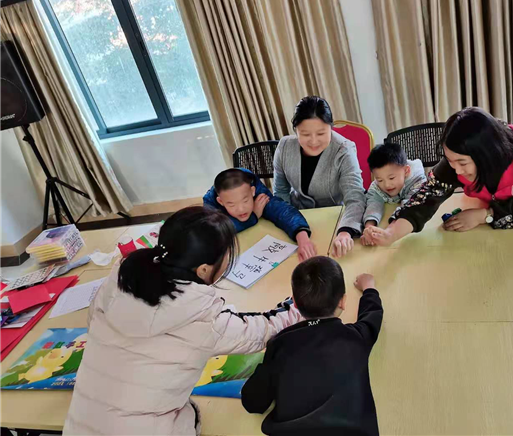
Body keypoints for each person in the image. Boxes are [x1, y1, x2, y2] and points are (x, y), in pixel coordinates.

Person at [63, 207, 302, 435]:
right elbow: (263, 330)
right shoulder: (203, 319)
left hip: (78, 426)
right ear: (203, 270)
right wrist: (303, 302)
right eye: (227, 255)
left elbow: (94, 322)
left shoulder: (119, 279)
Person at [365, 107, 513, 246]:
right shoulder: (458, 159)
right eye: (450, 161)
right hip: (495, 211)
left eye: (462, 163)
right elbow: (426, 196)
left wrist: (485, 215)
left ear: (487, 155)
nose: (456, 171)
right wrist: (390, 234)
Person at [241, 256, 383, 436]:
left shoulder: (280, 344)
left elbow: (253, 403)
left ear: (295, 303)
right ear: (342, 301)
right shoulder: (356, 337)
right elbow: (372, 315)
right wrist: (369, 288)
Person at [273, 96, 366, 258]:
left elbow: (356, 198)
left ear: (331, 127)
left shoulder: (344, 150)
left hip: (334, 220)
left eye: (321, 133)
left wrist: (345, 232)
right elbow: (281, 193)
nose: (314, 141)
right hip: (297, 218)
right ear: (296, 130)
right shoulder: (284, 147)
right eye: (305, 134)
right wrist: (293, 226)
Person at [203, 168, 317, 261]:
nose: (241, 209)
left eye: (245, 201)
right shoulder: (210, 203)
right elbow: (215, 231)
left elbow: (281, 210)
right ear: (220, 201)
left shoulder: (256, 189)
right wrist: (253, 216)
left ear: (252, 191)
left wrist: (302, 237)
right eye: (232, 205)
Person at [361, 143, 426, 246]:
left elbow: (410, 206)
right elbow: (373, 203)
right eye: (380, 180)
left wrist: (390, 230)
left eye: (391, 178)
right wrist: (369, 228)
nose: (387, 185)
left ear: (406, 171)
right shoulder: (376, 186)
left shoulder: (418, 181)